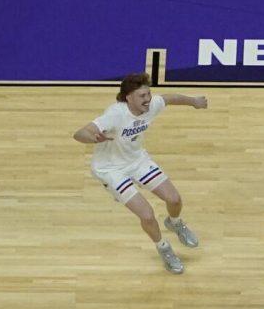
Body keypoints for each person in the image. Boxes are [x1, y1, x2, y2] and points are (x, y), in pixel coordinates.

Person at [73, 73, 207, 274]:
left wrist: (194, 101)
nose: (147, 99)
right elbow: (79, 133)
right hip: (111, 170)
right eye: (142, 96)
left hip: (137, 160)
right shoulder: (115, 114)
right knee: (147, 214)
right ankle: (164, 248)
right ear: (128, 98)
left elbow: (170, 98)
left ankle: (175, 223)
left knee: (175, 199)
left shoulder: (152, 105)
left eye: (148, 94)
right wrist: (94, 139)